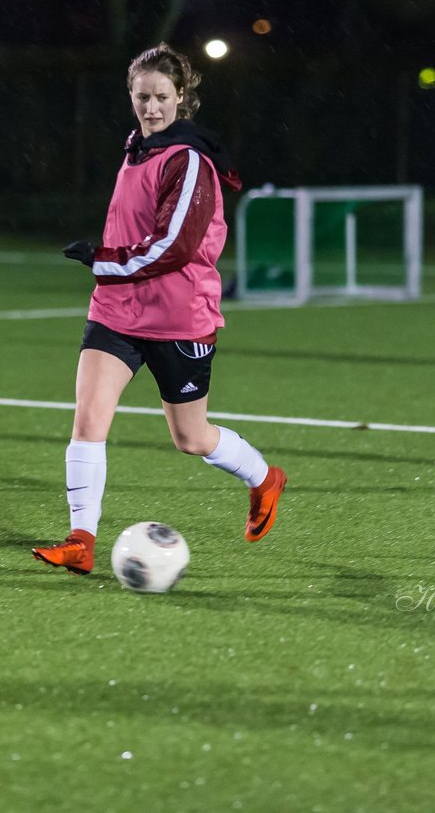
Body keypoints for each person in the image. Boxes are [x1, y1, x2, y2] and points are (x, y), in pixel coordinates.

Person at [33, 43, 287, 575]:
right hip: (117, 311)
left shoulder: (189, 160)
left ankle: (264, 478)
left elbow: (172, 246)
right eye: (142, 96)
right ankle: (81, 540)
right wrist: (109, 272)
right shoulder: (136, 147)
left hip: (179, 316)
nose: (151, 107)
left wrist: (102, 260)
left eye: (161, 97)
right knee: (88, 420)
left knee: (191, 438)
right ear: (131, 97)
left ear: (182, 99)